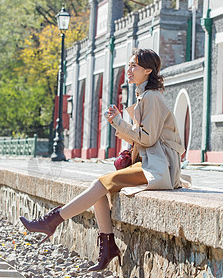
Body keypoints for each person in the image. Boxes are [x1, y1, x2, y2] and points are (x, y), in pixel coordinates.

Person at [19, 49, 186, 272]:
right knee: (100, 188)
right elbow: (143, 139)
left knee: (100, 184)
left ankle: (51, 222)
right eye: (129, 65)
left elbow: (148, 139)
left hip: (159, 166)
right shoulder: (143, 95)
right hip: (148, 163)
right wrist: (118, 122)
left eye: (134, 66)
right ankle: (107, 247)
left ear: (148, 70)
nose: (129, 69)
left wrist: (120, 122)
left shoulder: (152, 97)